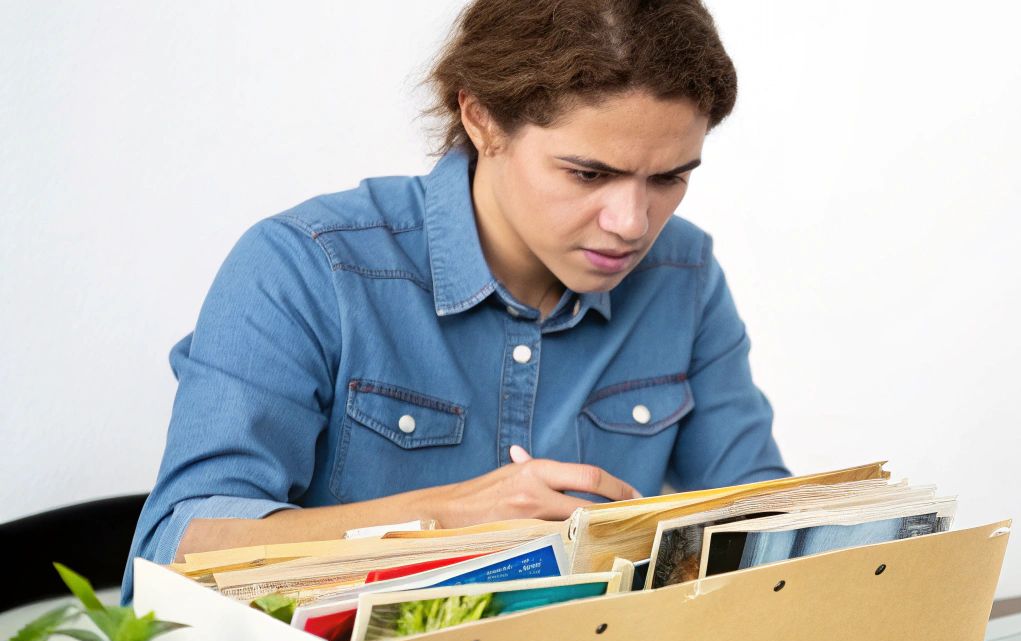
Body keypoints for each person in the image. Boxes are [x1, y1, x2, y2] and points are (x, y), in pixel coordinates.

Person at [124, 0, 787, 596]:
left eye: (669, 178)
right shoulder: (307, 265)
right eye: (589, 174)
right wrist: (441, 521)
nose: (633, 222)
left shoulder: (685, 274)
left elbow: (766, 522)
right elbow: (173, 551)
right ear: (480, 119)